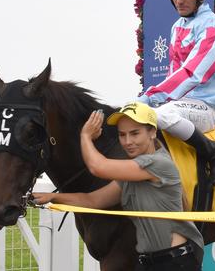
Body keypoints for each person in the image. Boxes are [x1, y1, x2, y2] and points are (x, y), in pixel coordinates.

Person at [32, 102, 204, 271]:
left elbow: (97, 167)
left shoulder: (158, 163)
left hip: (176, 263)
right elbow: (92, 200)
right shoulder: (131, 174)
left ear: (152, 132)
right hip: (148, 263)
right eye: (122, 135)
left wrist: (85, 136)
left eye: (135, 133)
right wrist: (52, 197)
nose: (128, 141)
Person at [137, 0, 215, 185]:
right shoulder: (178, 26)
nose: (179, 0)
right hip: (182, 105)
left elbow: (193, 73)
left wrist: (149, 98)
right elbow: (175, 72)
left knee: (159, 114)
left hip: (205, 107)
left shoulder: (213, 26)